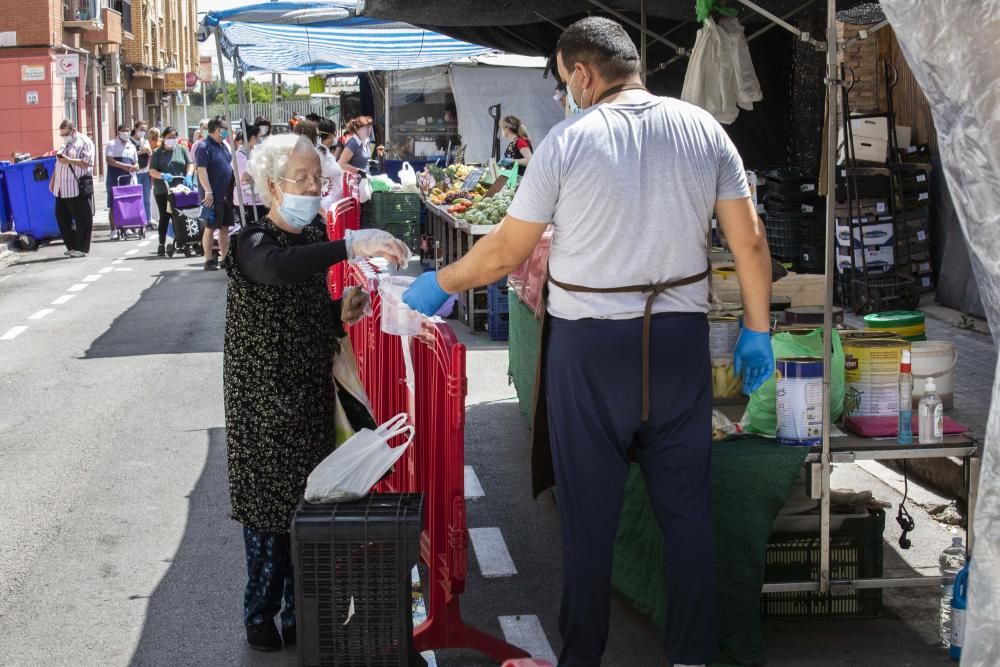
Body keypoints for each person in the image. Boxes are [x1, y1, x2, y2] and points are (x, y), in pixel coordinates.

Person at [401, 17, 775, 667]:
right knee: (688, 522)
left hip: (589, 353)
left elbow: (505, 253)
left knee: (589, 526)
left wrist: (440, 281)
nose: (562, 94)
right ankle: (692, 658)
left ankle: (583, 659)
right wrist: (757, 328)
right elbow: (749, 240)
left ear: (582, 74)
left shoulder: (567, 142)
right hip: (679, 347)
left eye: (561, 80)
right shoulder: (702, 129)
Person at [224, 133, 410, 652]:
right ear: (269, 186)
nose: (313, 188)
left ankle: (299, 615)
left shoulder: (314, 233)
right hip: (261, 404)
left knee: (308, 512)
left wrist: (338, 311)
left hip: (307, 395)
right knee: (268, 522)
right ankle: (259, 614)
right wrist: (352, 245)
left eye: (318, 179)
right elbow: (276, 270)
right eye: (301, 179)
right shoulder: (251, 243)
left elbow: (303, 307)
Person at [50, 120, 96, 258]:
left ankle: (82, 248)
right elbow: (58, 163)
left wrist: (69, 160)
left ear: (73, 130)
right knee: (61, 216)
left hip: (77, 186)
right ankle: (72, 245)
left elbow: (87, 162)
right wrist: (53, 180)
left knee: (82, 218)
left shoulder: (85, 142)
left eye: (66, 134)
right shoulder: (65, 143)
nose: (64, 136)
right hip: (62, 187)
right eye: (62, 134)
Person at [196, 116, 235, 271]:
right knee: (210, 228)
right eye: (226, 129)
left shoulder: (223, 146)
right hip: (212, 196)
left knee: (225, 228)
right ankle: (208, 260)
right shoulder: (204, 147)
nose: (228, 132)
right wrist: (208, 191)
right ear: (218, 129)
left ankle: (225, 259)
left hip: (226, 195)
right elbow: (201, 170)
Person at [150, 126, 195, 256]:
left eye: (174, 137)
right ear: (163, 139)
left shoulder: (182, 149)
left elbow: (190, 164)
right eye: (169, 138)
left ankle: (184, 241)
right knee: (165, 215)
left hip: (180, 189)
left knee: (182, 215)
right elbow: (152, 171)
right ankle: (161, 243)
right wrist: (162, 175)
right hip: (163, 190)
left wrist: (189, 175)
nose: (171, 140)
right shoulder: (157, 152)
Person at [105, 122, 139, 240]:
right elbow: (110, 160)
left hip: (128, 178)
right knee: (113, 204)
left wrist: (135, 166)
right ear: (119, 132)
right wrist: (125, 166)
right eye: (124, 130)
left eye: (128, 130)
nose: (126, 133)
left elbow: (135, 161)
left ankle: (126, 227)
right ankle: (114, 229)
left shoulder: (132, 146)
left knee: (127, 203)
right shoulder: (112, 144)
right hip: (114, 179)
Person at [236, 124, 267, 223]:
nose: (262, 140)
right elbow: (246, 176)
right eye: (260, 137)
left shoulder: (255, 154)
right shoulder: (239, 155)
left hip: (260, 199)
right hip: (247, 201)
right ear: (253, 138)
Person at [317, 118, 344, 213]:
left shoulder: (326, 152)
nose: (336, 135)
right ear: (331, 135)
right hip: (326, 205)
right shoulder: (320, 153)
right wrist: (322, 186)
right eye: (335, 132)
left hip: (332, 203)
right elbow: (314, 174)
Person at [131, 120, 154, 226]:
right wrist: (140, 152)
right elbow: (129, 155)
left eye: (144, 130)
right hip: (135, 174)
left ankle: (148, 219)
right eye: (141, 129)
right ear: (135, 129)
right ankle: (137, 220)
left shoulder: (145, 141)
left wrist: (149, 152)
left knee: (146, 198)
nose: (142, 132)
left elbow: (150, 155)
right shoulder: (129, 142)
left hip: (145, 172)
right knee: (136, 198)